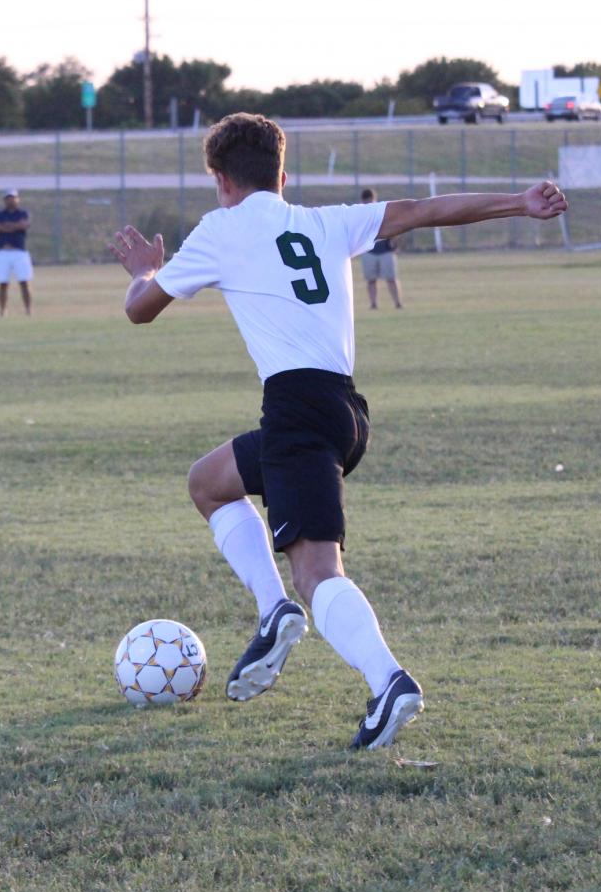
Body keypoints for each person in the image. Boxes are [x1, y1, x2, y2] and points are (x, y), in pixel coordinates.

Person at [109, 113, 567, 749]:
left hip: (296, 410)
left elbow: (140, 310)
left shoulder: (220, 230)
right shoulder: (324, 222)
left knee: (318, 572)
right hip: (345, 411)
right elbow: (423, 210)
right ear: (283, 176)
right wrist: (517, 202)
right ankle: (274, 614)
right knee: (210, 483)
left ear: (219, 179)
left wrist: (142, 268)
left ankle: (388, 682)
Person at [358, 188, 403, 309]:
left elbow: (395, 228)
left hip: (386, 251)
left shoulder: (382, 211)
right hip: (369, 252)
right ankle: (373, 303)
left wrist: (395, 244)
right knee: (371, 280)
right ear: (362, 201)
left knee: (391, 278)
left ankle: (397, 303)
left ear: (375, 200)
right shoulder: (359, 214)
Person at [0, 189, 33, 316]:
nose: (11, 200)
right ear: (4, 200)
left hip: (19, 252)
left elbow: (24, 225)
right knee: (3, 283)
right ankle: (3, 311)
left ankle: (28, 310)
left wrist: (8, 226)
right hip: (3, 252)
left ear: (18, 199)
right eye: (8, 198)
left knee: (24, 282)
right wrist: (14, 226)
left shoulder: (23, 213)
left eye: (13, 197)